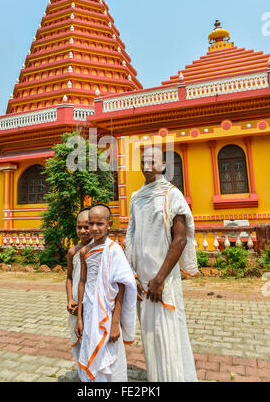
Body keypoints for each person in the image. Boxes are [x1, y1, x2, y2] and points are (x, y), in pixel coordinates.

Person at [125, 146, 199, 382]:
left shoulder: (171, 194)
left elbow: (180, 238)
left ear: (164, 165)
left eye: (152, 161)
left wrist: (159, 279)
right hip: (142, 280)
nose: (147, 166)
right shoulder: (136, 197)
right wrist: (132, 275)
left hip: (163, 279)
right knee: (150, 335)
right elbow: (131, 236)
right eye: (143, 162)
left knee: (168, 333)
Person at [75, 204, 137, 382]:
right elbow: (82, 282)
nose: (94, 228)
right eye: (90, 224)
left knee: (111, 358)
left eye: (99, 224)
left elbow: (122, 287)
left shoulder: (114, 250)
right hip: (88, 311)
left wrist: (115, 323)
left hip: (108, 314)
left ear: (109, 224)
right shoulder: (85, 251)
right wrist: (79, 317)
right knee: (89, 348)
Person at [66, 207, 93, 376]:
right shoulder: (72, 252)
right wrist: (70, 298)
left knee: (92, 338)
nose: (82, 231)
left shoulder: (99, 249)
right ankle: (84, 376)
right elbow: (69, 277)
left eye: (86, 226)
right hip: (76, 302)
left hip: (92, 302)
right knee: (78, 340)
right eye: (79, 227)